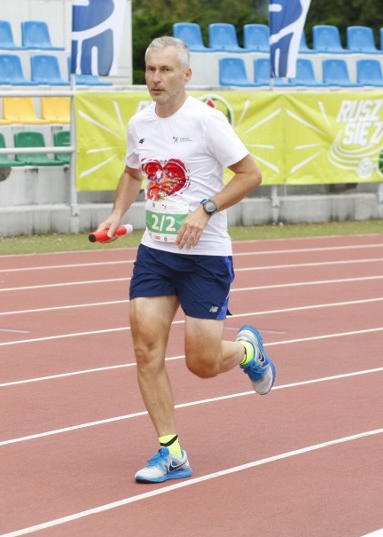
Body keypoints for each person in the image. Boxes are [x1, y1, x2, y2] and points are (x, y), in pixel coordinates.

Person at [94, 37, 276, 483]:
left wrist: (206, 209)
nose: (156, 78)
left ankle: (249, 350)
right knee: (145, 350)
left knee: (202, 364)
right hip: (156, 252)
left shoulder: (207, 122)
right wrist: (117, 213)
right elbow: (134, 172)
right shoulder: (139, 122)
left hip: (204, 256)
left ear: (186, 75)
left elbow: (251, 174)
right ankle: (171, 452)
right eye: (150, 69)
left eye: (165, 71)